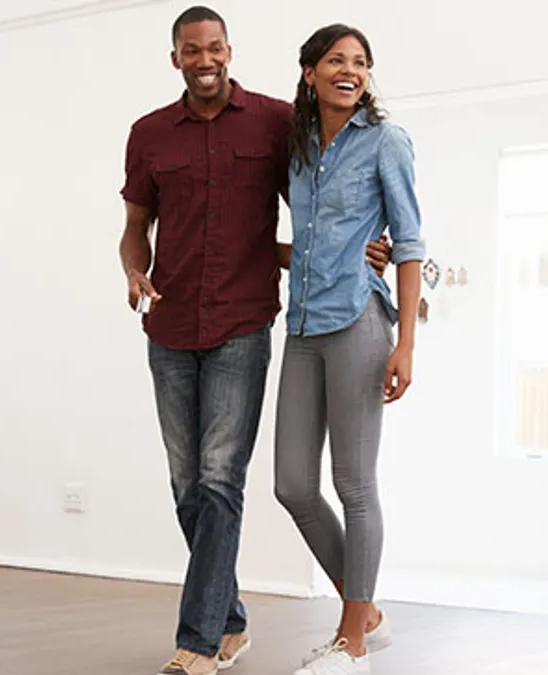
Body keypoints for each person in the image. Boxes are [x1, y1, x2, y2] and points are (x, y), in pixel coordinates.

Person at [118, 8, 391, 675]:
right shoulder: (148, 135)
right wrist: (132, 267)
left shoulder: (274, 123)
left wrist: (360, 252)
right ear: (175, 58)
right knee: (188, 484)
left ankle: (200, 640)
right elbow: (135, 225)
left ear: (229, 51)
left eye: (214, 47)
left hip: (243, 323)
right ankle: (232, 619)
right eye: (191, 50)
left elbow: (321, 200)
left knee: (220, 478)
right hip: (170, 326)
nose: (204, 58)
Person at [273, 23, 425, 675]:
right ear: (308, 72)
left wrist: (407, 345)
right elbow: (296, 239)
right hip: (303, 326)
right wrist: (318, 252)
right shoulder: (298, 149)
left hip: (361, 322)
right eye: (336, 60)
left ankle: (352, 642)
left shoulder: (385, 141)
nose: (350, 70)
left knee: (352, 483)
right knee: (292, 485)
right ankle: (367, 612)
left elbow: (411, 241)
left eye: (360, 62)